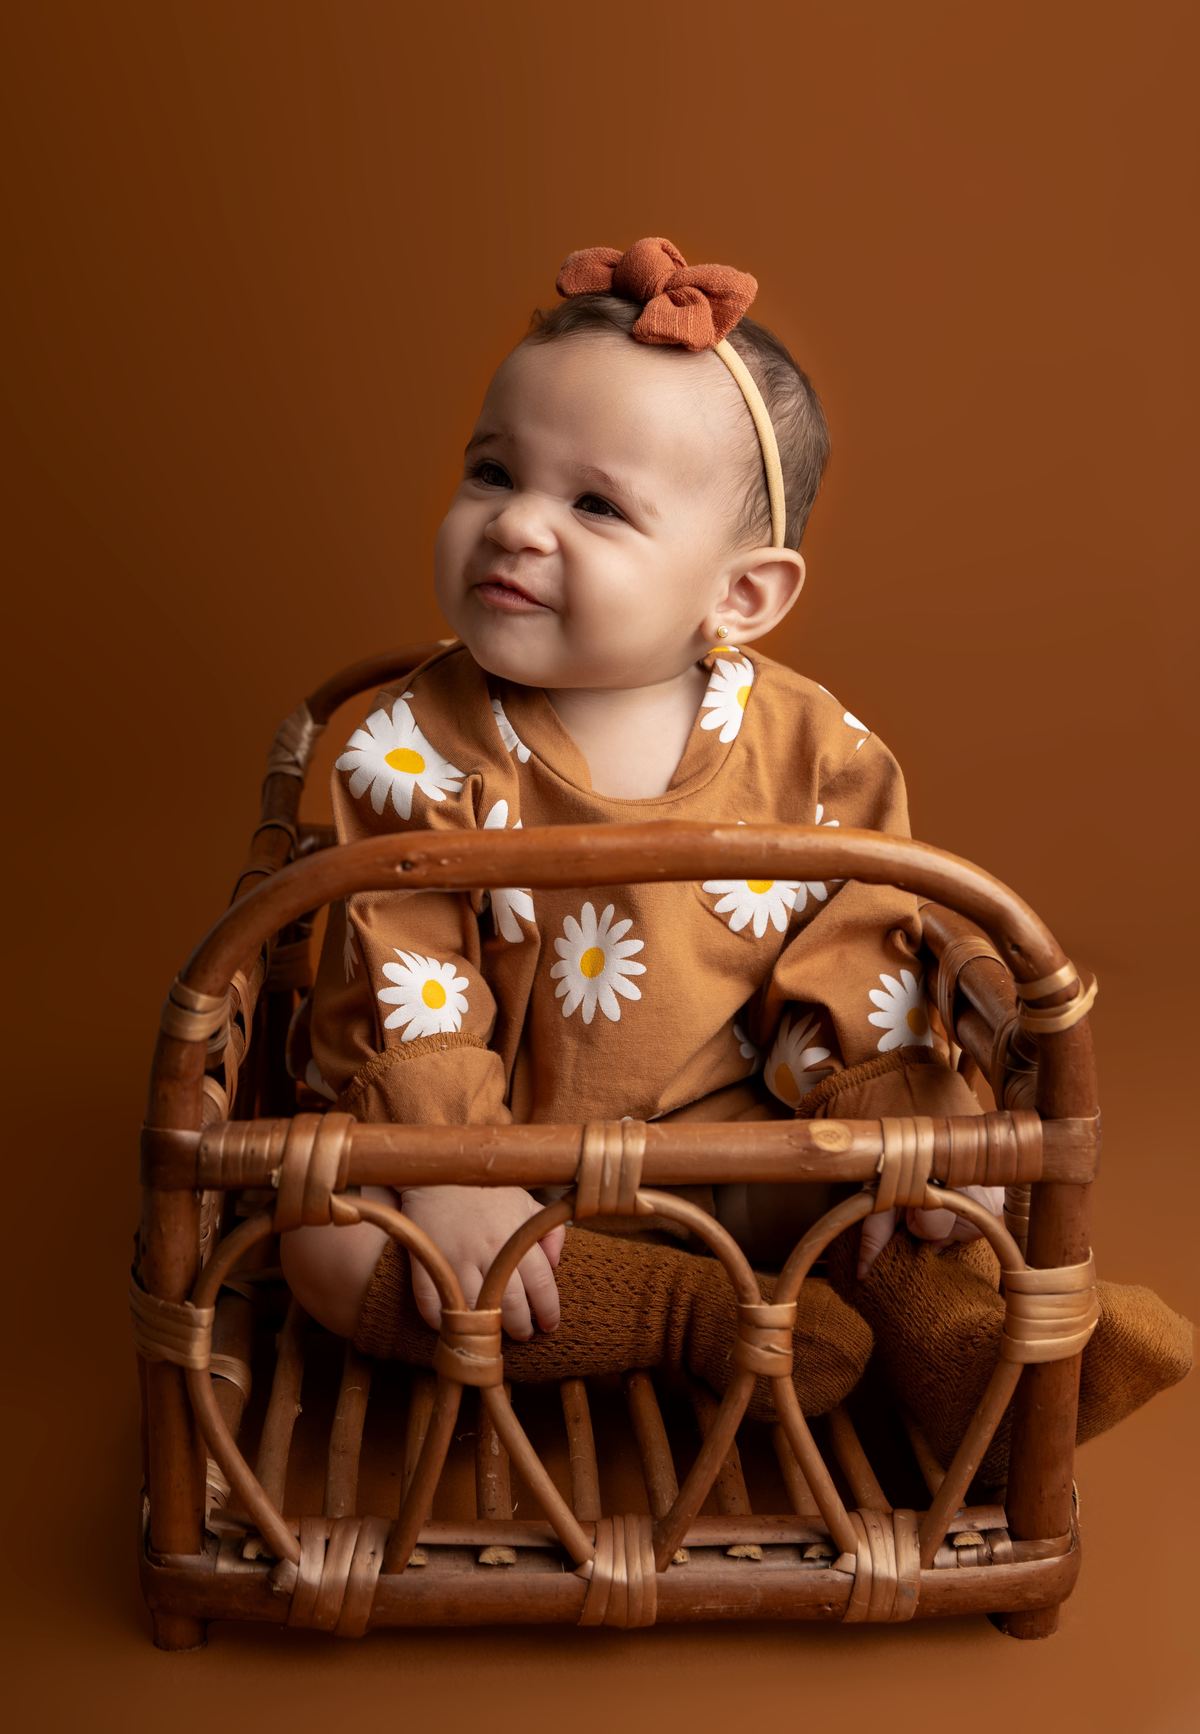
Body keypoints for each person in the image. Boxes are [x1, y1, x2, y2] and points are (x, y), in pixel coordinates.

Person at [280, 237, 1190, 1475]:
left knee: (904, 1208)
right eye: (493, 473)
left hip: (746, 1156)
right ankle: (684, 1319)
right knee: (324, 1245)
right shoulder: (411, 746)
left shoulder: (810, 748)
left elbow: (866, 944)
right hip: (507, 1186)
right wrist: (454, 1166)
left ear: (743, 596)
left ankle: (962, 1353)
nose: (517, 526)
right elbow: (403, 967)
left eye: (595, 505)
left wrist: (901, 1130)